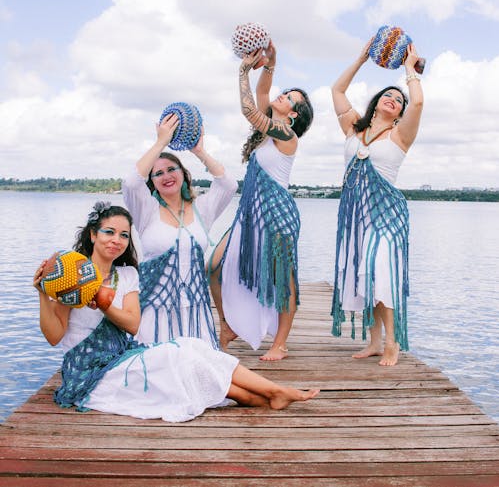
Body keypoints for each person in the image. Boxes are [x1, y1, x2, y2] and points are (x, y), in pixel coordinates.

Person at [33, 202, 320, 422]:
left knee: (191, 347)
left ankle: (269, 394)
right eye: (109, 232)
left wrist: (105, 302)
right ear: (93, 234)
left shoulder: (128, 275)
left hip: (122, 357)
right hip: (91, 373)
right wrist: (44, 295)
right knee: (177, 358)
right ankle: (267, 396)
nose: (116, 240)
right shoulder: (73, 273)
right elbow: (55, 337)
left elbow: (132, 325)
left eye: (123, 235)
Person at [209, 41, 314, 361]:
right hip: (249, 214)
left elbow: (249, 109)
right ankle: (227, 325)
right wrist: (272, 63)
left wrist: (242, 72)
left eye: (290, 99)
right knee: (214, 266)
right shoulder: (267, 133)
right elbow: (264, 95)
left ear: (293, 115)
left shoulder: (286, 134)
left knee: (284, 278)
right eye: (286, 93)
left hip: (277, 215)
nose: (282, 97)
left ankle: (280, 342)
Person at [330, 40, 424, 366]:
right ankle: (374, 342)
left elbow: (419, 103)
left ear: (400, 112)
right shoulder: (354, 127)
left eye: (399, 100)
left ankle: (393, 343)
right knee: (362, 275)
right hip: (355, 215)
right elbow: (337, 91)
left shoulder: (400, 136)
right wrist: (360, 58)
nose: (393, 99)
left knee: (381, 270)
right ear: (376, 102)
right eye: (388, 94)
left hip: (386, 215)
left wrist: (409, 70)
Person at [122, 118, 238, 349]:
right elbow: (130, 182)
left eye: (171, 169)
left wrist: (199, 151)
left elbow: (229, 185)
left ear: (183, 174)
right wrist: (161, 142)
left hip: (195, 307)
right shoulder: (146, 209)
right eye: (158, 173)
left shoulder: (202, 209)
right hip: (155, 309)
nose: (166, 176)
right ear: (152, 182)